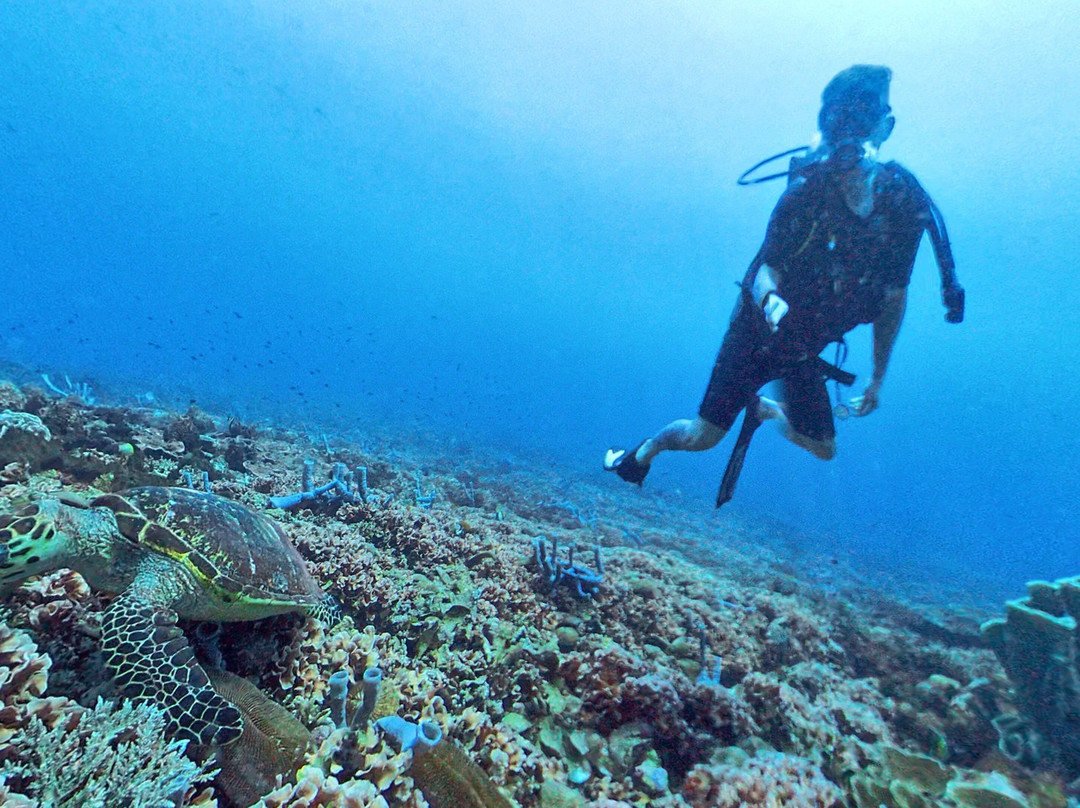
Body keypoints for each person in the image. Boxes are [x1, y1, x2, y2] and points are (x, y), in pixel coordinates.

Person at [603, 65, 965, 503]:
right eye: (837, 121)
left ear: (885, 127)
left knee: (824, 449)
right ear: (825, 127)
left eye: (863, 120)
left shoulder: (905, 202)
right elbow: (763, 271)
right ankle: (645, 451)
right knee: (702, 437)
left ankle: (765, 411)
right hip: (755, 334)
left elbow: (893, 296)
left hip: (804, 347)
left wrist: (878, 379)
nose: (849, 135)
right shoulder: (805, 193)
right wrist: (771, 301)